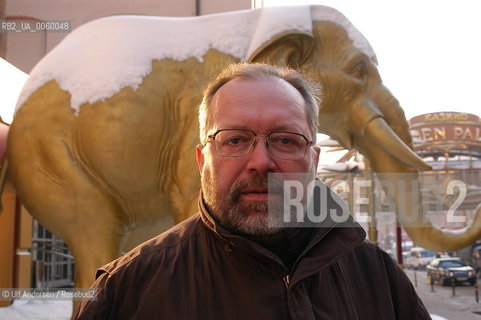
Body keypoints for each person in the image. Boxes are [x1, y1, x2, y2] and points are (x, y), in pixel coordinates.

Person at [73, 63, 431, 319]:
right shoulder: (127, 291)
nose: (261, 161)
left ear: (313, 159)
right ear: (203, 159)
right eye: (235, 139)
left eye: (286, 140)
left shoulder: (378, 278)